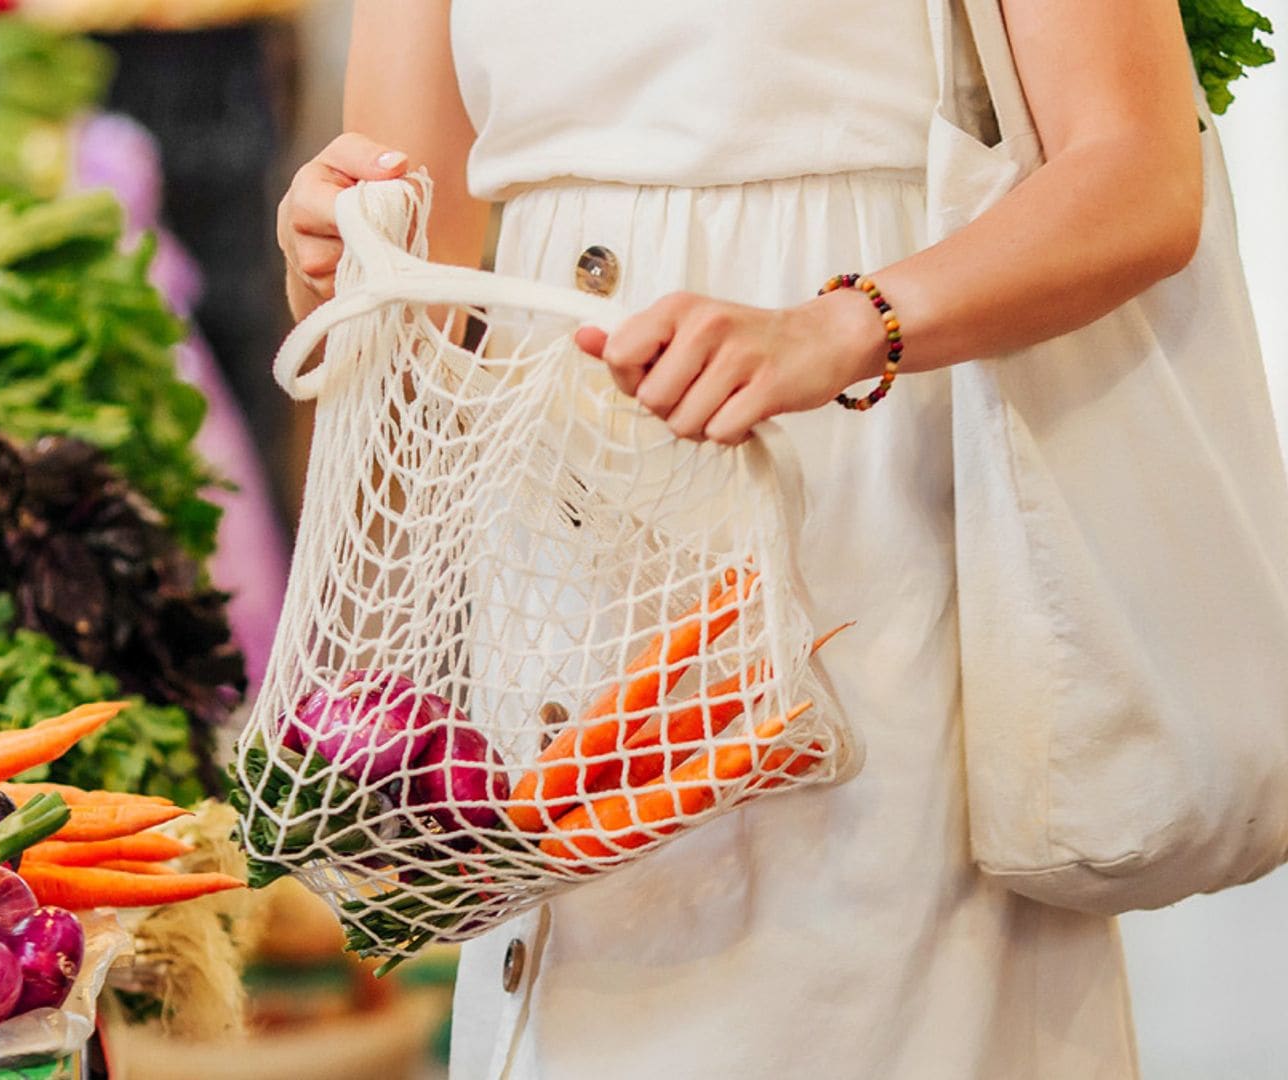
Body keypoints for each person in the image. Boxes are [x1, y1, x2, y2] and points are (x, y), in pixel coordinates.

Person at [277, 1, 1205, 1076]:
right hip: (557, 579)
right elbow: (417, 249)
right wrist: (334, 240)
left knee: (873, 998)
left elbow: (1140, 170)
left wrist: (842, 326)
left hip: (861, 520)